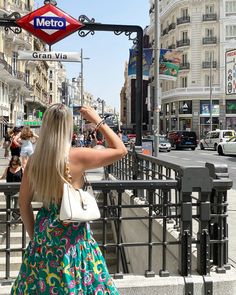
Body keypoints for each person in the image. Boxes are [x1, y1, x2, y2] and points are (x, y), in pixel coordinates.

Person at [11, 103, 127, 294]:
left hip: (44, 233)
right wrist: (97, 120)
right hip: (72, 234)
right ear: (67, 126)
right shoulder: (77, 156)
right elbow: (121, 149)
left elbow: (24, 204)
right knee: (77, 282)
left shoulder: (34, 160)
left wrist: (36, 240)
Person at [0, 156, 23, 220]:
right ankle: (10, 219)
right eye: (13, 164)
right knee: (9, 206)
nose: (14, 165)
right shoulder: (8, 169)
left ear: (18, 163)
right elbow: (3, 177)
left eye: (15, 164)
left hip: (18, 191)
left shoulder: (21, 169)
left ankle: (14, 219)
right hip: (8, 191)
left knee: (16, 207)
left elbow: (25, 180)